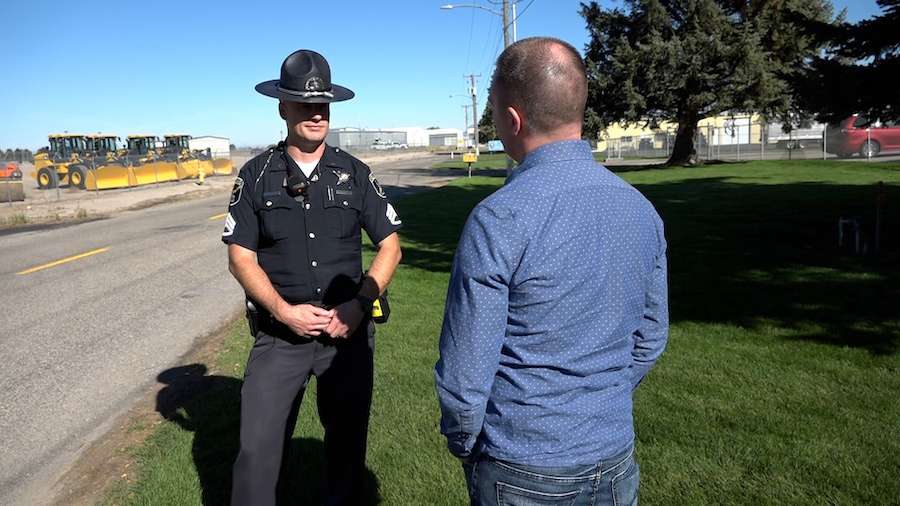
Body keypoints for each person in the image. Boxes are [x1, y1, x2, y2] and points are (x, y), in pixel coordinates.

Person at [435, 37, 668, 506]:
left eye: (495, 112)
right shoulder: (641, 210)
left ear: (513, 118)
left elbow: (466, 373)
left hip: (523, 464)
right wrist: (601, 401)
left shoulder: (499, 218)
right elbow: (650, 337)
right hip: (614, 454)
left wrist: (464, 441)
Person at [223, 49, 402, 506]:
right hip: (280, 335)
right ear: (283, 107)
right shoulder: (256, 175)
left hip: (347, 335)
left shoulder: (355, 173)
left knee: (346, 451)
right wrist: (284, 311)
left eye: (322, 104)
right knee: (256, 453)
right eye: (305, 105)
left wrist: (359, 304)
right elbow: (240, 258)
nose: (316, 113)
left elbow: (390, 247)